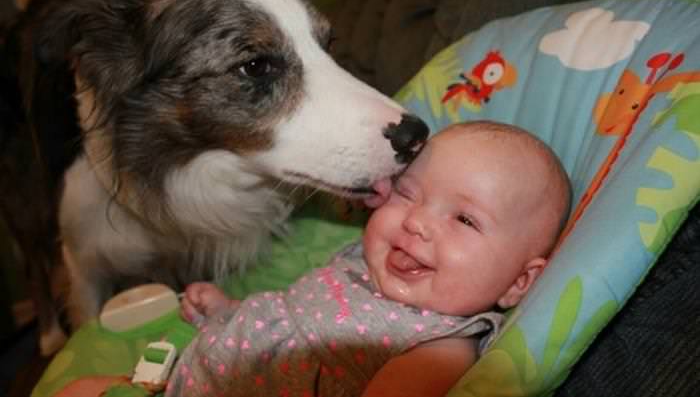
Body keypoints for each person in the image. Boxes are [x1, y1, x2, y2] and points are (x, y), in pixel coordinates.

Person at [53, 120, 572, 397]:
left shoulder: (437, 347)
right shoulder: (358, 263)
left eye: (464, 220)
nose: (416, 222)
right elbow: (291, 315)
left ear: (518, 284)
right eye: (407, 195)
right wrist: (228, 312)